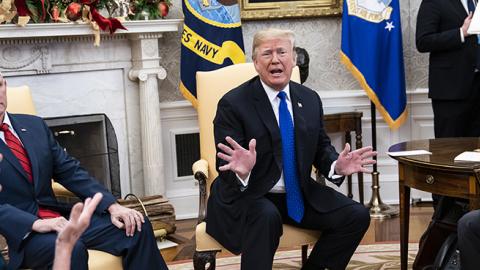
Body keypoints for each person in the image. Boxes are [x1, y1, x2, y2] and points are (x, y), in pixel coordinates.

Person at [206, 28, 376, 270]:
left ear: (294, 59)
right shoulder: (233, 104)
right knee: (266, 216)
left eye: (282, 52)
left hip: (296, 194)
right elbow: (226, 166)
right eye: (266, 54)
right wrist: (242, 171)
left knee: (356, 215)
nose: (275, 59)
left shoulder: (309, 99)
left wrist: (336, 165)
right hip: (249, 194)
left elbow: (321, 148)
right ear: (255, 63)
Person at [0, 72, 167, 269]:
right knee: (72, 249)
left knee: (136, 226)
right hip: (21, 234)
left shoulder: (33, 125)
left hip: (58, 219)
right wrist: (35, 224)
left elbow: (70, 171)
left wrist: (112, 206)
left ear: (5, 86)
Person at [416, 0, 480, 139]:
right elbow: (423, 41)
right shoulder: (433, 2)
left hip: (478, 89)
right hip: (450, 91)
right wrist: (461, 32)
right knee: (448, 151)